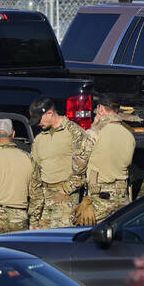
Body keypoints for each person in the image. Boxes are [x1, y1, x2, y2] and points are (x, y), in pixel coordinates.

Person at [28, 96, 92, 228]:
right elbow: (35, 169)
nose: (38, 124)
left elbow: (83, 166)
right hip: (44, 197)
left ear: (50, 113)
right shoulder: (40, 138)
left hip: (65, 197)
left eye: (39, 119)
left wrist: (65, 190)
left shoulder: (74, 133)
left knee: (62, 238)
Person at [81, 94, 136, 223]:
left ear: (100, 109)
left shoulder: (94, 132)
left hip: (99, 197)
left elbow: (79, 163)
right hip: (122, 196)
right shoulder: (129, 134)